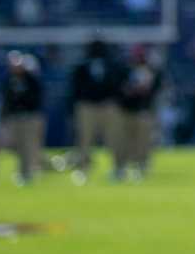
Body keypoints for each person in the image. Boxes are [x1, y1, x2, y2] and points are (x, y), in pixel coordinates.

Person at [69, 39, 122, 184]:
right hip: (87, 106)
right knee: (84, 139)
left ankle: (117, 168)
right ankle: (83, 169)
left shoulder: (111, 65)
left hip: (107, 106)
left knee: (113, 138)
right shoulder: (82, 67)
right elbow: (75, 89)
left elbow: (116, 85)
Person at [1, 51, 46, 185]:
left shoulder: (31, 79)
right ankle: (29, 169)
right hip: (15, 117)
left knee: (29, 145)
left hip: (30, 116)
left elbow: (37, 98)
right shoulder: (9, 79)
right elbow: (6, 99)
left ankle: (27, 172)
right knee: (16, 145)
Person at [116, 46, 161, 180]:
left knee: (143, 142)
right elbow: (120, 88)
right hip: (127, 110)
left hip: (143, 111)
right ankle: (121, 168)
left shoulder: (148, 71)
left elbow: (149, 90)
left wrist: (134, 90)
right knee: (124, 141)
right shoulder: (125, 70)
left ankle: (140, 167)